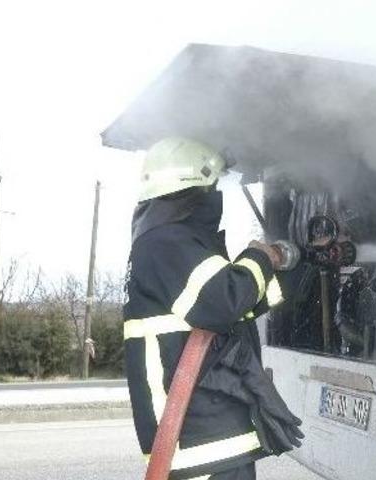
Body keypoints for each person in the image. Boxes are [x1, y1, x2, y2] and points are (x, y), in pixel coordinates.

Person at [123, 137, 303, 480]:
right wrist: (260, 256)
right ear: (195, 187)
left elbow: (235, 309)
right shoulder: (165, 243)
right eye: (214, 185)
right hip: (197, 435)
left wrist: (300, 268)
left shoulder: (168, 244)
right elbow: (225, 301)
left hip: (208, 435)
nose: (216, 194)